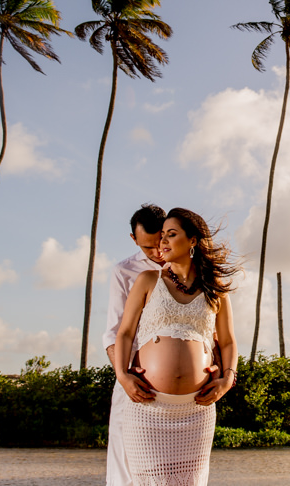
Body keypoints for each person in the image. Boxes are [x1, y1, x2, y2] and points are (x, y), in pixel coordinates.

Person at [112, 207, 239, 486]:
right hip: (148, 407)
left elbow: (228, 341)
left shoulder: (214, 289)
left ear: (192, 240)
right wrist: (123, 375)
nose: (163, 243)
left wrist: (227, 381)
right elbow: (123, 334)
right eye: (162, 237)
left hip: (197, 409)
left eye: (171, 234)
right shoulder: (148, 280)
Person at [104, 204, 167, 486]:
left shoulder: (192, 269)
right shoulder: (124, 271)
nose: (156, 253)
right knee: (126, 469)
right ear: (133, 240)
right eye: (147, 247)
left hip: (182, 396)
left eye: (160, 243)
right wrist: (123, 378)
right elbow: (114, 333)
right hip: (134, 383)